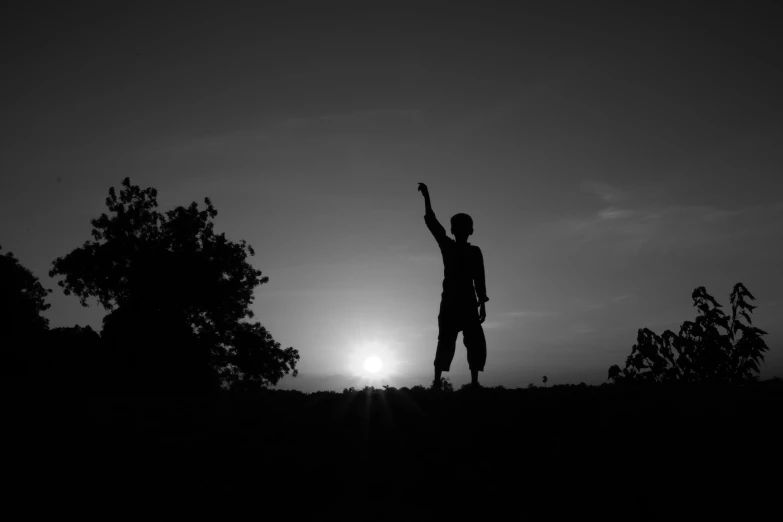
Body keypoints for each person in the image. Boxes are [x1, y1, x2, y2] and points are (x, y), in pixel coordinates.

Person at [418, 182, 488, 388]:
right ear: (454, 230)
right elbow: (432, 223)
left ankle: (473, 382)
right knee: (446, 342)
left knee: (474, 343)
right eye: (459, 227)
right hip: (451, 303)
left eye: (464, 227)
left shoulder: (475, 252)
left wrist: (482, 303)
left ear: (471, 230)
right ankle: (438, 383)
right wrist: (427, 198)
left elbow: (479, 279)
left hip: (467, 303)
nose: (462, 231)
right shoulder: (448, 246)